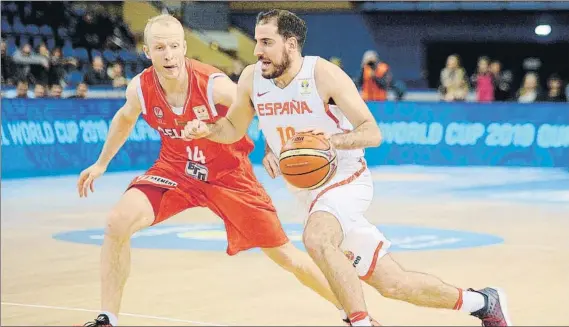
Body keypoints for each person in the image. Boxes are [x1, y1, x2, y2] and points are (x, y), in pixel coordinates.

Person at [184, 9, 512, 327]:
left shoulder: (322, 74)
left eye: (267, 42)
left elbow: (372, 132)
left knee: (316, 238)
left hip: (346, 179)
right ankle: (484, 302)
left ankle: (359, 322)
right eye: (257, 41)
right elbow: (233, 127)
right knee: (394, 284)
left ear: (291, 44)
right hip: (309, 194)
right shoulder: (252, 78)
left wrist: (333, 141)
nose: (257, 51)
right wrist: (209, 131)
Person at [79, 14, 363, 327]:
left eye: (174, 46)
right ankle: (108, 318)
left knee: (285, 256)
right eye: (160, 48)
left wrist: (272, 148)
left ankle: (352, 313)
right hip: (176, 171)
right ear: (147, 51)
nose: (169, 54)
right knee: (117, 222)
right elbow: (123, 119)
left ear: (184, 47)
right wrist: (101, 163)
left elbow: (261, 106)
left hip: (229, 176)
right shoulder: (141, 89)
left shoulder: (213, 84)